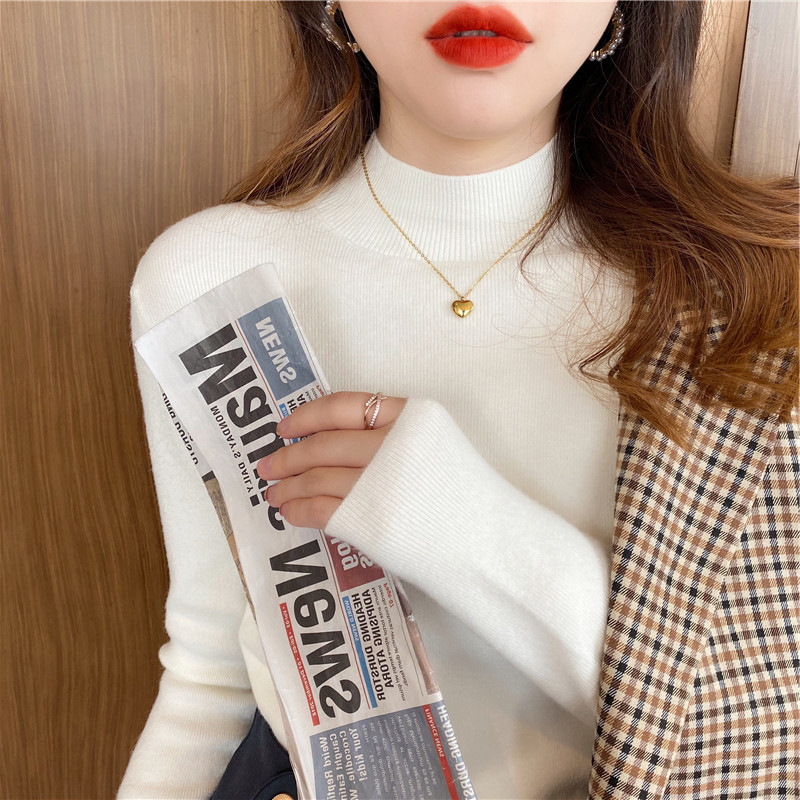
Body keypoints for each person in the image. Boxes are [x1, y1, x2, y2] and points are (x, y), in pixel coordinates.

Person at [118, 1, 799, 798]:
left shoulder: (752, 304)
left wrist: (457, 521)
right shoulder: (206, 276)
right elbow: (209, 680)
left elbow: (756, 716)